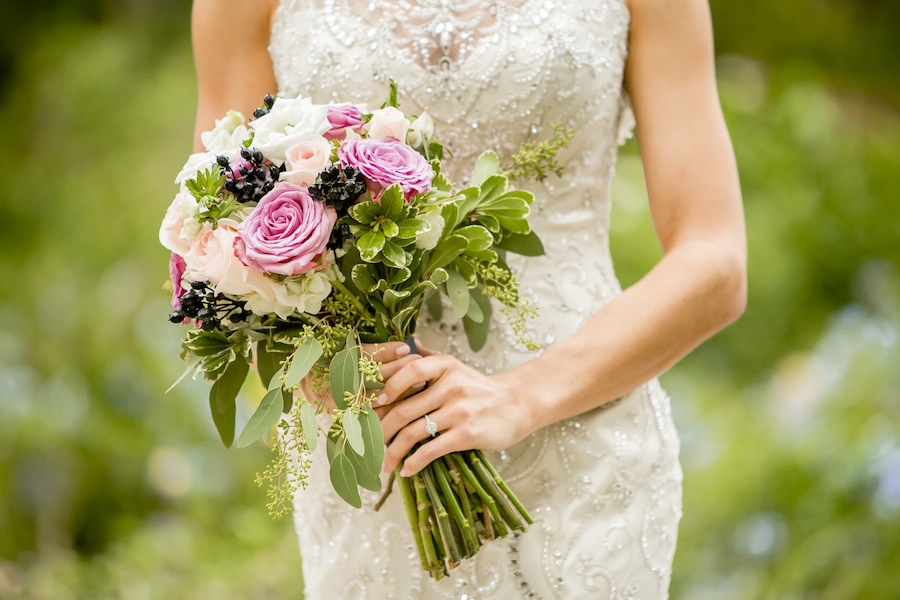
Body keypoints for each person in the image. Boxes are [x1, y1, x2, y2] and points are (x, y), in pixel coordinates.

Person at [190, 0, 746, 597]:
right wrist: (318, 367)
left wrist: (521, 396)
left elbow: (715, 260)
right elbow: (214, 245)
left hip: (586, 432)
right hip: (380, 443)